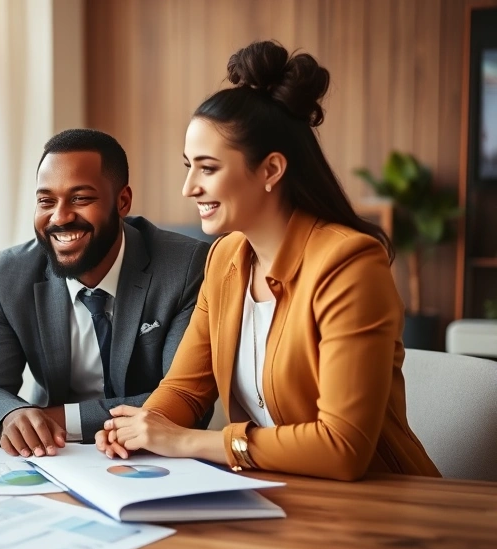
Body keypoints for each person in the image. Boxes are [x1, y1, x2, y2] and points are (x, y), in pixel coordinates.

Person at [97, 41, 440, 481]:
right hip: (283, 493)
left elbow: (343, 447)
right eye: (189, 166)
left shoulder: (351, 265)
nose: (189, 187)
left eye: (207, 168)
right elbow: (185, 386)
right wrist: (138, 428)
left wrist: (185, 441)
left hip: (382, 503)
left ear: (271, 170)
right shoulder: (225, 260)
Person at [0, 128, 210, 458]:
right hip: (54, 459)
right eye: (46, 201)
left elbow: (186, 398)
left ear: (122, 201)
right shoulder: (10, 274)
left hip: (151, 458)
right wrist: (12, 416)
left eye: (80, 199)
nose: (60, 217)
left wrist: (54, 419)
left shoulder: (185, 266)